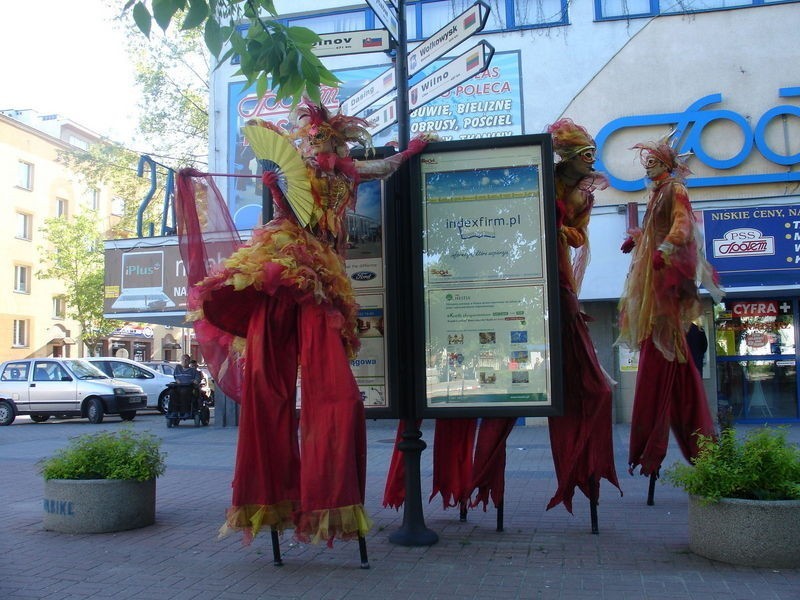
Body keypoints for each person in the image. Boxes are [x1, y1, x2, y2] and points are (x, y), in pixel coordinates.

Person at [177, 100, 431, 547]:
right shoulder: (306, 175)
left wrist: (411, 152)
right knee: (267, 384)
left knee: (334, 394)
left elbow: (384, 167)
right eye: (312, 143)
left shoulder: (348, 172)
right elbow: (297, 203)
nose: (317, 149)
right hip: (289, 266)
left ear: (335, 144)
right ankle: (269, 499)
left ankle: (325, 500)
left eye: (324, 142)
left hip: (320, 274)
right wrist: (275, 187)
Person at [617, 133, 724, 479]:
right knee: (657, 333)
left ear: (667, 164)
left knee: (665, 335)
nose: (647, 165)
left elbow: (681, 224)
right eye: (646, 161)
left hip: (666, 271)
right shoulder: (656, 193)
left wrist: (664, 249)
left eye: (653, 160)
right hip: (654, 269)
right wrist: (637, 240)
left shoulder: (674, 189)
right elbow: (654, 228)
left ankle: (684, 439)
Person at [544, 118, 621, 514]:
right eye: (587, 155)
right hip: (531, 268)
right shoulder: (544, 175)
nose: (593, 163)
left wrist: (560, 232)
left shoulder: (583, 197)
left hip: (556, 268)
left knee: (593, 387)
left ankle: (583, 465)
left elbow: (578, 234)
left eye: (594, 155)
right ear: (570, 158)